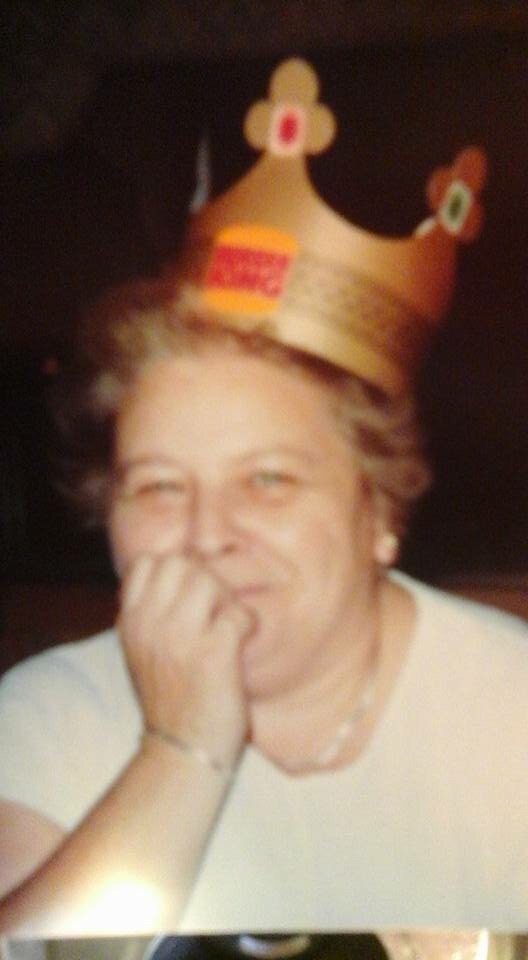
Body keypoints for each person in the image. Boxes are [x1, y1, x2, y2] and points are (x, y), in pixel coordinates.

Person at [0, 59, 526, 937]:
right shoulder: (47, 717)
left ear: (379, 513)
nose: (207, 535)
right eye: (160, 485)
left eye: (268, 479)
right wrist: (180, 751)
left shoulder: (512, 712)